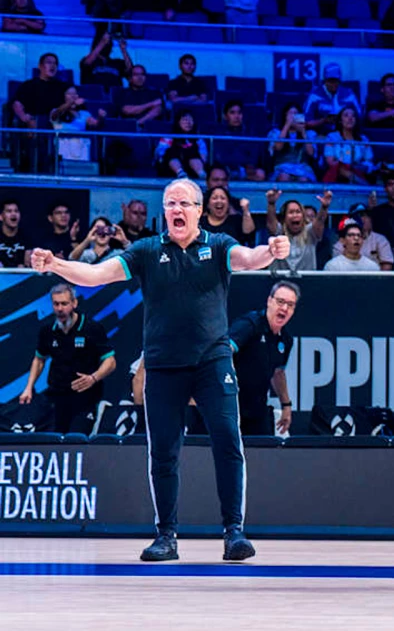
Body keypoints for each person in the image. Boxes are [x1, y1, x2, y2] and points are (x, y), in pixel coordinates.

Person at [29, 178, 290, 563]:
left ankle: (234, 532)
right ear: (164, 211)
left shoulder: (217, 246)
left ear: (199, 210)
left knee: (227, 443)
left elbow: (250, 260)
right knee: (163, 452)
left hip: (213, 362)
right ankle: (165, 536)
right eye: (170, 203)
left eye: (184, 203)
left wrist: (271, 249)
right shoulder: (147, 250)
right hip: (164, 366)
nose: (176, 209)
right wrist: (55, 265)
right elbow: (97, 275)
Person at [19, 284, 117, 433]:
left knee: (77, 438)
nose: (60, 309)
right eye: (56, 304)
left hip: (85, 396)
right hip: (57, 396)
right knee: (55, 440)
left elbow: (110, 362)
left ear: (74, 303)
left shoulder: (91, 328)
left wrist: (93, 378)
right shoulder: (47, 331)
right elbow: (39, 360)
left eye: (64, 303)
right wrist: (28, 388)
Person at [229, 281, 297, 435]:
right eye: (280, 302)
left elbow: (278, 373)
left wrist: (286, 405)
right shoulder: (250, 325)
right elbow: (222, 353)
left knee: (263, 453)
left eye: (290, 305)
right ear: (269, 301)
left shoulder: (286, 340)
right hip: (230, 407)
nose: (284, 308)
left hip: (257, 410)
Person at [0, 198, 29, 267]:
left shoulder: (27, 238)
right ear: (1, 217)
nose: (13, 214)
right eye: (9, 211)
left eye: (16, 211)